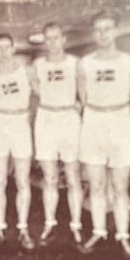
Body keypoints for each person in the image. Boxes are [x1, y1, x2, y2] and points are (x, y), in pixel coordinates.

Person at [77, 11, 130, 257]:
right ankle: (98, 231)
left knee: (120, 187)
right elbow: (83, 97)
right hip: (94, 122)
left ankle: (123, 236)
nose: (102, 34)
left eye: (107, 28)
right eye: (98, 29)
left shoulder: (128, 62)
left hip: (120, 121)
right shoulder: (85, 63)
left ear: (116, 31)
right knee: (97, 185)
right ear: (93, 33)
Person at [31, 22, 83, 246]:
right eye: (48, 38)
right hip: (46, 119)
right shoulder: (38, 64)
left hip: (69, 119)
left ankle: (76, 226)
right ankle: (49, 223)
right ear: (44, 41)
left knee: (73, 176)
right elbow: (36, 89)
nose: (52, 42)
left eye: (56, 37)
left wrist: (78, 104)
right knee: (50, 177)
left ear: (64, 39)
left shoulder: (75, 63)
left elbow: (85, 92)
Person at [0, 33, 35, 250]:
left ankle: (23, 229)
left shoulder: (27, 71)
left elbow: (42, 94)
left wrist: (32, 111)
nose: (3, 52)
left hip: (20, 125)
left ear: (13, 49)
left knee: (23, 180)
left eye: (7, 47)